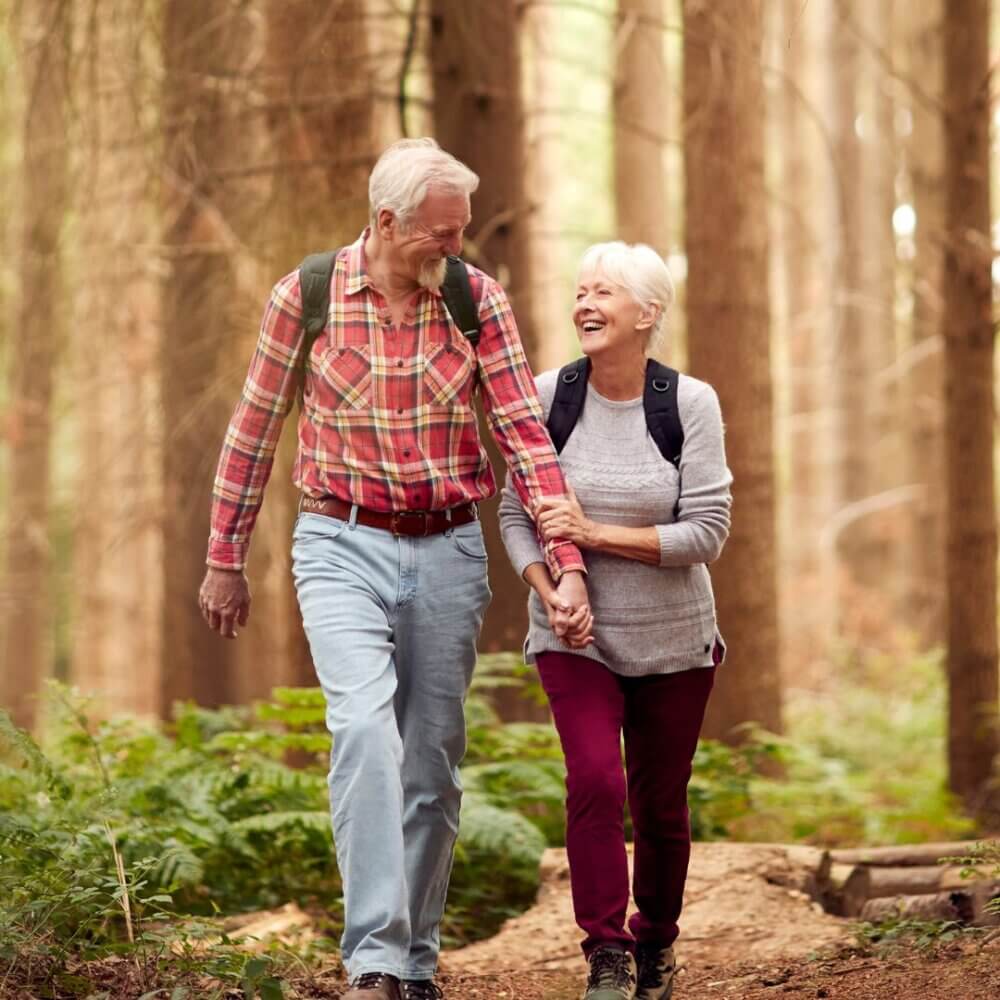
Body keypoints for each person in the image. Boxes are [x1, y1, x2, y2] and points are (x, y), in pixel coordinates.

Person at [198, 138, 594, 1000]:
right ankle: (375, 956)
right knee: (364, 731)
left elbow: (525, 435)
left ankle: (414, 960)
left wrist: (567, 566)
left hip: (450, 547)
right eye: (440, 235)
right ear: (385, 222)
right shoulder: (304, 298)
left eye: (460, 234)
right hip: (339, 544)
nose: (455, 249)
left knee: (432, 764)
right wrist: (225, 558)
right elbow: (253, 431)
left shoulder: (476, 300)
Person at [498, 242, 732, 1000]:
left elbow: (707, 533)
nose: (585, 305)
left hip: (675, 638)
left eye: (603, 292)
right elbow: (515, 511)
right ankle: (606, 951)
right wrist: (548, 585)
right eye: (579, 291)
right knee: (595, 781)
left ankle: (656, 942)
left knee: (659, 801)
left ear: (648, 313)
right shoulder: (548, 397)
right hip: (575, 632)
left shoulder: (688, 404)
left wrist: (594, 535)